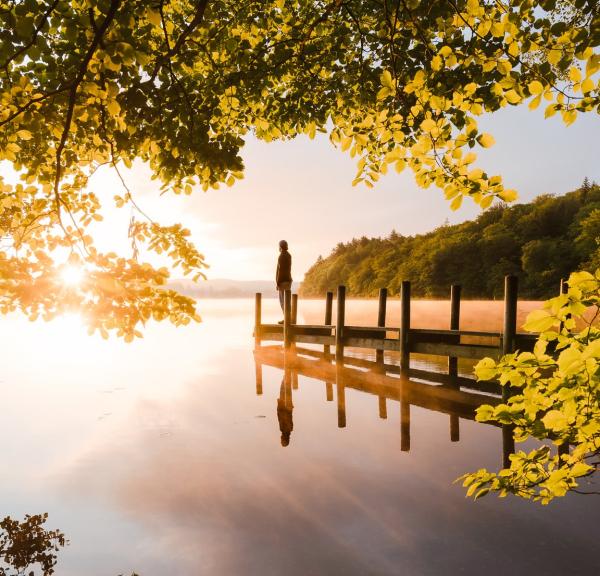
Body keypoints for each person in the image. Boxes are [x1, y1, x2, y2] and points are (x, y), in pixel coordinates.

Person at [276, 239, 292, 318]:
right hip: (288, 280)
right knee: (287, 301)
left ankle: (286, 319)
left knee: (283, 302)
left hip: (283, 281)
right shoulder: (289, 255)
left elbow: (280, 271)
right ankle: (288, 318)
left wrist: (278, 283)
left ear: (281, 247)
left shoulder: (281, 256)